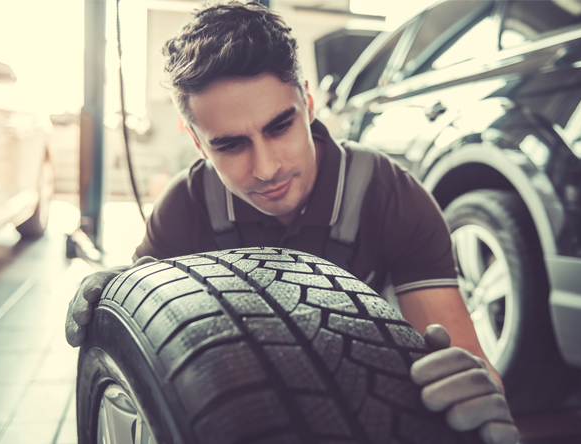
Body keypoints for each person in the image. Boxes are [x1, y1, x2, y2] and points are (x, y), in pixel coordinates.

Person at [66, 3, 517, 443]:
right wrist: (119, 298)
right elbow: (134, 350)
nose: (266, 169)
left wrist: (479, 394)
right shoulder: (186, 207)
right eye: (230, 146)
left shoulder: (390, 195)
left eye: (280, 126)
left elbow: (464, 357)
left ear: (307, 102)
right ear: (198, 144)